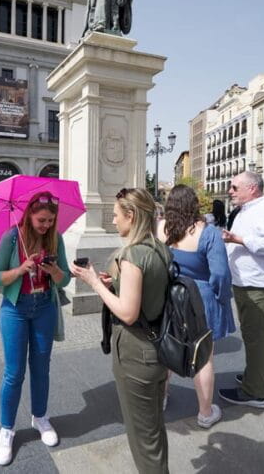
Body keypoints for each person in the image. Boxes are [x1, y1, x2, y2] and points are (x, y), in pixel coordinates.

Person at [71, 188, 170, 473]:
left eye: (115, 215)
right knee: (153, 430)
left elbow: (127, 312)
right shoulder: (159, 248)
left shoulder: (132, 255)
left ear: (131, 215)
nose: (113, 221)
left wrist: (95, 283)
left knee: (143, 440)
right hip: (157, 349)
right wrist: (115, 283)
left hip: (136, 354)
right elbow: (148, 292)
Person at [0, 191, 70, 466]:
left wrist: (53, 272)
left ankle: (40, 418)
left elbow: (65, 280)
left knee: (41, 368)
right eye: (41, 220)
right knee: (14, 373)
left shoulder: (55, 239)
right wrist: (20, 270)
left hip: (44, 308)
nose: (46, 224)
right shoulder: (11, 237)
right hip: (15, 309)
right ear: (28, 215)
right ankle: (7, 429)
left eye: (50, 220)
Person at [158, 185, 235, 429]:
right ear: (194, 205)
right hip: (200, 298)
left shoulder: (160, 228)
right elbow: (220, 274)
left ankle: (160, 398)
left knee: (167, 349)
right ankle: (205, 412)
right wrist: (222, 298)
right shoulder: (208, 232)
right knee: (204, 357)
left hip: (169, 295)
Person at [218, 172, 264, 409]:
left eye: (234, 187)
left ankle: (254, 392)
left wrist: (238, 239)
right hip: (248, 282)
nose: (230, 191)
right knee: (258, 335)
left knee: (255, 337)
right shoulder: (247, 211)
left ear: (252, 188)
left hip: (260, 284)